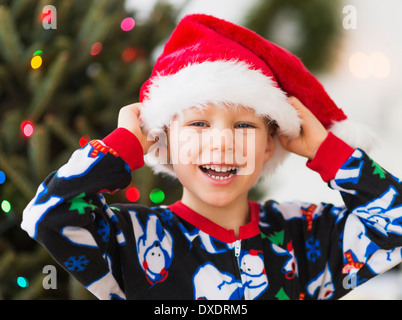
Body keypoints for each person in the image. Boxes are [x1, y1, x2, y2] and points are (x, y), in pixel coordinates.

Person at [21, 14, 402, 300]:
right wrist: (124, 144)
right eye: (199, 124)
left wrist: (326, 152)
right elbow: (47, 215)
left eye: (244, 127)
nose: (222, 144)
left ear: (270, 144)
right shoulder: (129, 239)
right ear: (163, 141)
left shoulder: (304, 234)